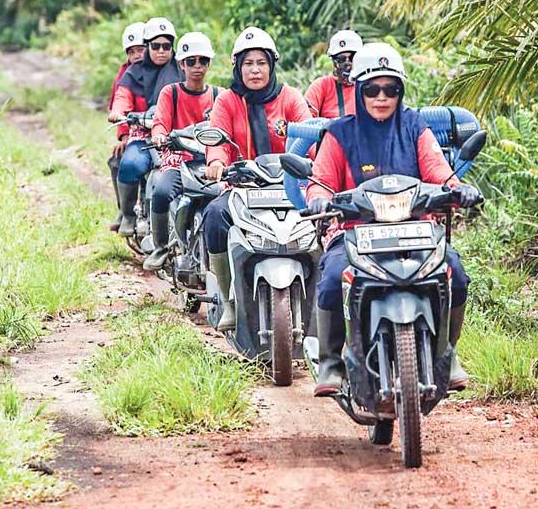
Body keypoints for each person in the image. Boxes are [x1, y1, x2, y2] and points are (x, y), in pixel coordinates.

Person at [303, 42, 482, 397]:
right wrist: (320, 200)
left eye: (391, 89)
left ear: (400, 91)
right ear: (360, 90)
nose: (381, 97)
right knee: (332, 277)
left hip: (416, 231)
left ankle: (447, 351)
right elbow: (320, 181)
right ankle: (331, 362)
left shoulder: (415, 128)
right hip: (356, 232)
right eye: (372, 89)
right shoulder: (339, 134)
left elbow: (439, 172)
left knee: (456, 274)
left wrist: (457, 190)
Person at [202, 26, 310, 331]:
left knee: (324, 218)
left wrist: (314, 160)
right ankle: (228, 299)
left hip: (289, 186)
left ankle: (323, 302)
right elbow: (217, 140)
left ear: (272, 65)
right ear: (238, 67)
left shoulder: (290, 98)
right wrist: (217, 162)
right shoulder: (227, 100)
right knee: (213, 216)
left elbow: (309, 135)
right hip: (242, 185)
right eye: (248, 63)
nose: (255, 70)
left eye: (261, 63)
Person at [142, 32, 221, 271]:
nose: (197, 67)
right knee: (162, 191)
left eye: (203, 61)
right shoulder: (171, 92)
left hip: (210, 162)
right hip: (179, 160)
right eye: (191, 61)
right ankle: (161, 246)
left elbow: (228, 126)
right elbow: (160, 121)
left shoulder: (220, 95)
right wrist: (159, 134)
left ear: (209, 63)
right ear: (181, 64)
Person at [111, 17, 184, 237]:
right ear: (148, 47)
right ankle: (128, 214)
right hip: (143, 135)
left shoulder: (183, 70)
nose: (161, 51)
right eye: (155, 46)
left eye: (166, 46)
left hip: (174, 137)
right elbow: (122, 96)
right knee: (130, 164)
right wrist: (118, 112)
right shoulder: (133, 73)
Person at [107, 21, 146, 232]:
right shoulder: (125, 75)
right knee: (117, 160)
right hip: (135, 132)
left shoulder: (163, 71)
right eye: (132, 52)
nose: (137, 55)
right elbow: (120, 104)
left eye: (141, 49)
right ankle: (125, 209)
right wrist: (124, 137)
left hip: (161, 133)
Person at [304, 30, 363, 118]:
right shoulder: (321, 86)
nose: (347, 63)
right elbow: (305, 122)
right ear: (333, 61)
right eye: (341, 59)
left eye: (352, 57)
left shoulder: (369, 86)